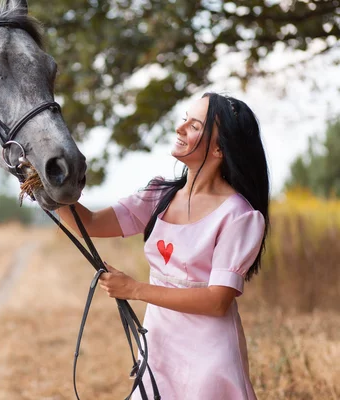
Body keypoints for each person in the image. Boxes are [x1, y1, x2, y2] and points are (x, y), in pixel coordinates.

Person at [57, 93, 269, 399]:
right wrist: (46, 184)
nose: (180, 128)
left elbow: (217, 301)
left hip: (209, 357)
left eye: (194, 125)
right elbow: (87, 223)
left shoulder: (239, 215)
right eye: (184, 119)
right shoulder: (160, 196)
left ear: (220, 147)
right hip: (158, 346)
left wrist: (134, 289)